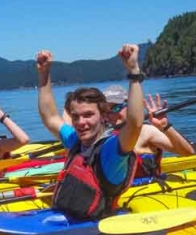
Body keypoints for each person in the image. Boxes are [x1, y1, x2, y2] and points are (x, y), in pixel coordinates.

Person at [36, 44, 144, 220]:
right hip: (64, 221)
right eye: (75, 116)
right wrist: (43, 73)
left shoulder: (111, 151)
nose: (80, 122)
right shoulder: (75, 141)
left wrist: (133, 72)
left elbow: (134, 125)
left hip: (94, 230)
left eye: (88, 115)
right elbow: (50, 117)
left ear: (103, 116)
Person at [102, 86, 195, 178]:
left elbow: (187, 152)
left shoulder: (146, 131)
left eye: (115, 108)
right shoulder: (105, 135)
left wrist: (165, 127)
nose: (110, 115)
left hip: (144, 187)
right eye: (105, 111)